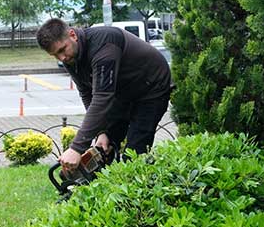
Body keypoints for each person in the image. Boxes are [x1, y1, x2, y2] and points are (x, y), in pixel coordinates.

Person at [36, 18, 171, 175]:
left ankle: (138, 188)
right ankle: (94, 188)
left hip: (151, 88)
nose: (62, 58)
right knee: (104, 147)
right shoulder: (72, 58)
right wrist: (101, 132)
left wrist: (76, 148)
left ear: (72, 35)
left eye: (62, 50)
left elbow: (101, 99)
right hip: (122, 92)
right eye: (55, 55)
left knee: (134, 152)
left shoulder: (105, 45)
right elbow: (87, 93)